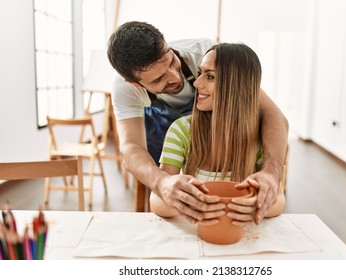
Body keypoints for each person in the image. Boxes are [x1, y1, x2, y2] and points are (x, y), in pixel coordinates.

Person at [107, 21, 288, 225]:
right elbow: (131, 146)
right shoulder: (126, 91)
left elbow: (274, 116)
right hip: (160, 130)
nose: (176, 78)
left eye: (171, 61)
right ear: (134, 83)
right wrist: (162, 182)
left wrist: (271, 172)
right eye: (158, 80)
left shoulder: (205, 54)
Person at [150, 43, 286, 225]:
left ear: (237, 86)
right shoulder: (181, 130)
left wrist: (258, 205)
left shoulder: (261, 138)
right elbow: (157, 199)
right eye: (200, 74)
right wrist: (192, 205)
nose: (197, 83)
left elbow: (279, 199)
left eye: (210, 76)